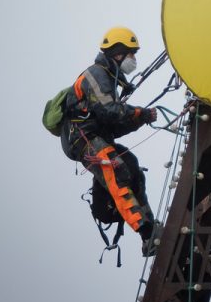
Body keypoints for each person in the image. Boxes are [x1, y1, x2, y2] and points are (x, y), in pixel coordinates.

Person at [60, 27, 162, 256]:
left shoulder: (111, 78)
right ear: (118, 52)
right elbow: (109, 111)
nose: (133, 58)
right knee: (117, 171)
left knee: (132, 166)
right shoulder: (96, 74)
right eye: (131, 53)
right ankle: (147, 233)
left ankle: (150, 227)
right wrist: (140, 113)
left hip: (97, 137)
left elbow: (114, 125)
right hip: (83, 139)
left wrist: (141, 118)